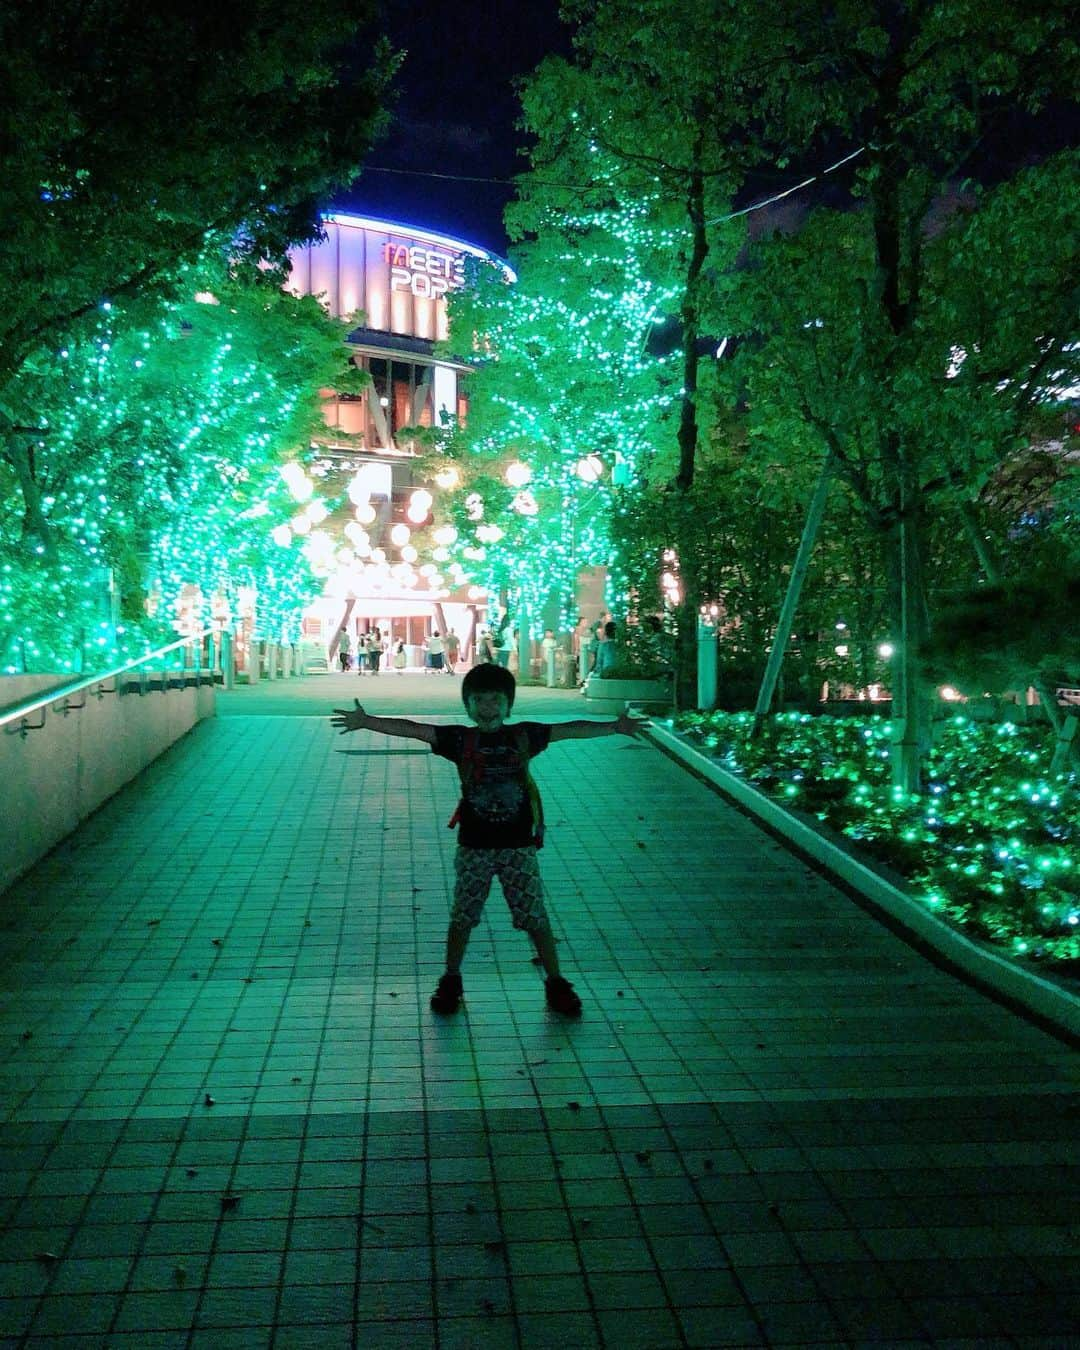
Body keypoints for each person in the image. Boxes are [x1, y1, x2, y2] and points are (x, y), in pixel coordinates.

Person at [331, 665, 641, 1017]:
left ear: (509, 705)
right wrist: (367, 721)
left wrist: (614, 727)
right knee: (463, 915)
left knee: (534, 915)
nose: (488, 708)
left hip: (518, 847)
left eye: (496, 700)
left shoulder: (525, 735)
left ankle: (556, 982)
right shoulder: (460, 740)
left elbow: (568, 730)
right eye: (479, 700)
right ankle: (451, 979)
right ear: (468, 705)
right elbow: (415, 730)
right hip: (474, 847)